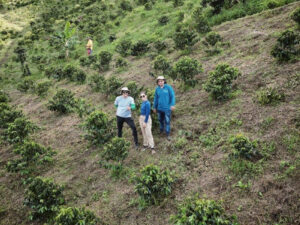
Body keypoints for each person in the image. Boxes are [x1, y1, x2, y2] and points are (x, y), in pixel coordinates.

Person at [153, 76, 176, 140]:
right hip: (160, 108)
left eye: (161, 81)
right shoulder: (157, 89)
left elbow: (172, 96)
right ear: (157, 82)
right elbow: (156, 98)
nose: (160, 82)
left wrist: (172, 104)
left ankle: (168, 134)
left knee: (167, 121)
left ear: (164, 81)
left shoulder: (168, 87)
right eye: (159, 81)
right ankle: (161, 130)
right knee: (160, 120)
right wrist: (154, 107)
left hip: (167, 108)